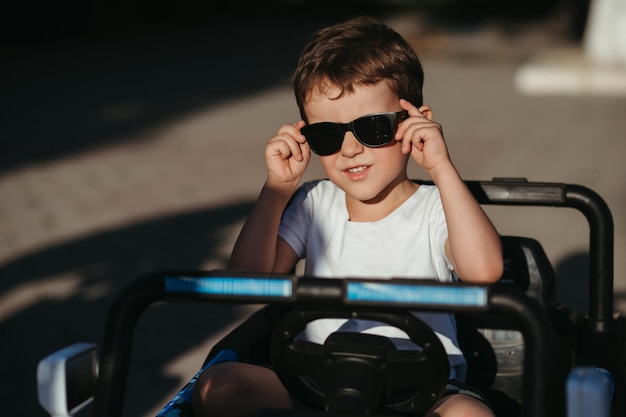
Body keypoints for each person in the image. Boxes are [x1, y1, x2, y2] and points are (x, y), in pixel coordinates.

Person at [192, 16, 503, 417]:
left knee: (470, 416)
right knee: (219, 385)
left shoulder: (437, 207)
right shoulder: (312, 203)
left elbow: (484, 271)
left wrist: (442, 168)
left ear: (415, 122)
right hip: (315, 382)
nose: (350, 149)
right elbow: (247, 284)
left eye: (371, 128)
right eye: (328, 135)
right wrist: (277, 190)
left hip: (420, 392)